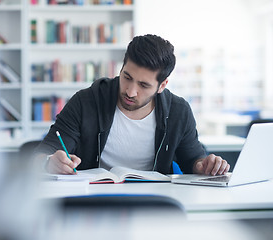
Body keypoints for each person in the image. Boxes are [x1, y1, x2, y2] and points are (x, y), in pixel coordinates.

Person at [34, 34, 230, 176]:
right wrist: (49, 162)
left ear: (162, 85)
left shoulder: (178, 111)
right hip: (93, 199)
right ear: (121, 67)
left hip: (154, 201)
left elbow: (192, 160)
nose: (130, 91)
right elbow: (42, 154)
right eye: (127, 77)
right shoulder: (86, 102)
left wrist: (203, 165)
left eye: (144, 85)